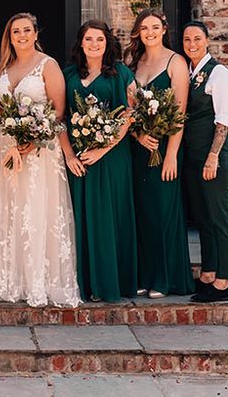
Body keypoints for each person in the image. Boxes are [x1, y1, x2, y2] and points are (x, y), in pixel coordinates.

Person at [0, 12, 80, 307]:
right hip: (8, 148)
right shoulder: (4, 68)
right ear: (10, 36)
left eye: (26, 30)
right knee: (12, 209)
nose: (21, 35)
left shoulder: (48, 64)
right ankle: (13, 281)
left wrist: (32, 139)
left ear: (35, 33)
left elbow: (57, 112)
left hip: (40, 150)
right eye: (15, 31)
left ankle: (41, 282)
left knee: (38, 210)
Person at [63, 20, 137, 302]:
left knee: (109, 216)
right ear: (80, 43)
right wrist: (70, 154)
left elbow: (129, 115)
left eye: (100, 40)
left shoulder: (122, 74)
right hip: (78, 157)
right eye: (89, 39)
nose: (94, 44)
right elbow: (59, 117)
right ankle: (86, 283)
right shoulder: (68, 73)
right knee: (82, 217)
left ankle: (110, 283)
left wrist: (102, 150)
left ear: (107, 44)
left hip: (111, 157)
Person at [126, 8, 194, 299]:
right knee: (142, 213)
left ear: (164, 29)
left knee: (163, 212)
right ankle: (145, 275)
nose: (150, 33)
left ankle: (165, 279)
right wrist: (139, 135)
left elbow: (179, 113)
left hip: (165, 147)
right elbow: (128, 108)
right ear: (139, 33)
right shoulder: (134, 63)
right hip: (139, 147)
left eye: (155, 27)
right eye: (144, 28)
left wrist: (171, 156)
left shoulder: (175, 62)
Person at [181, 21, 228, 302]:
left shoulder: (219, 73)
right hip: (194, 157)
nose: (191, 43)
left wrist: (213, 157)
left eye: (197, 38)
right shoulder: (190, 73)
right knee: (203, 218)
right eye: (187, 39)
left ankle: (223, 282)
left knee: (219, 218)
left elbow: (223, 120)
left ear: (207, 41)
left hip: (214, 157)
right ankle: (208, 272)